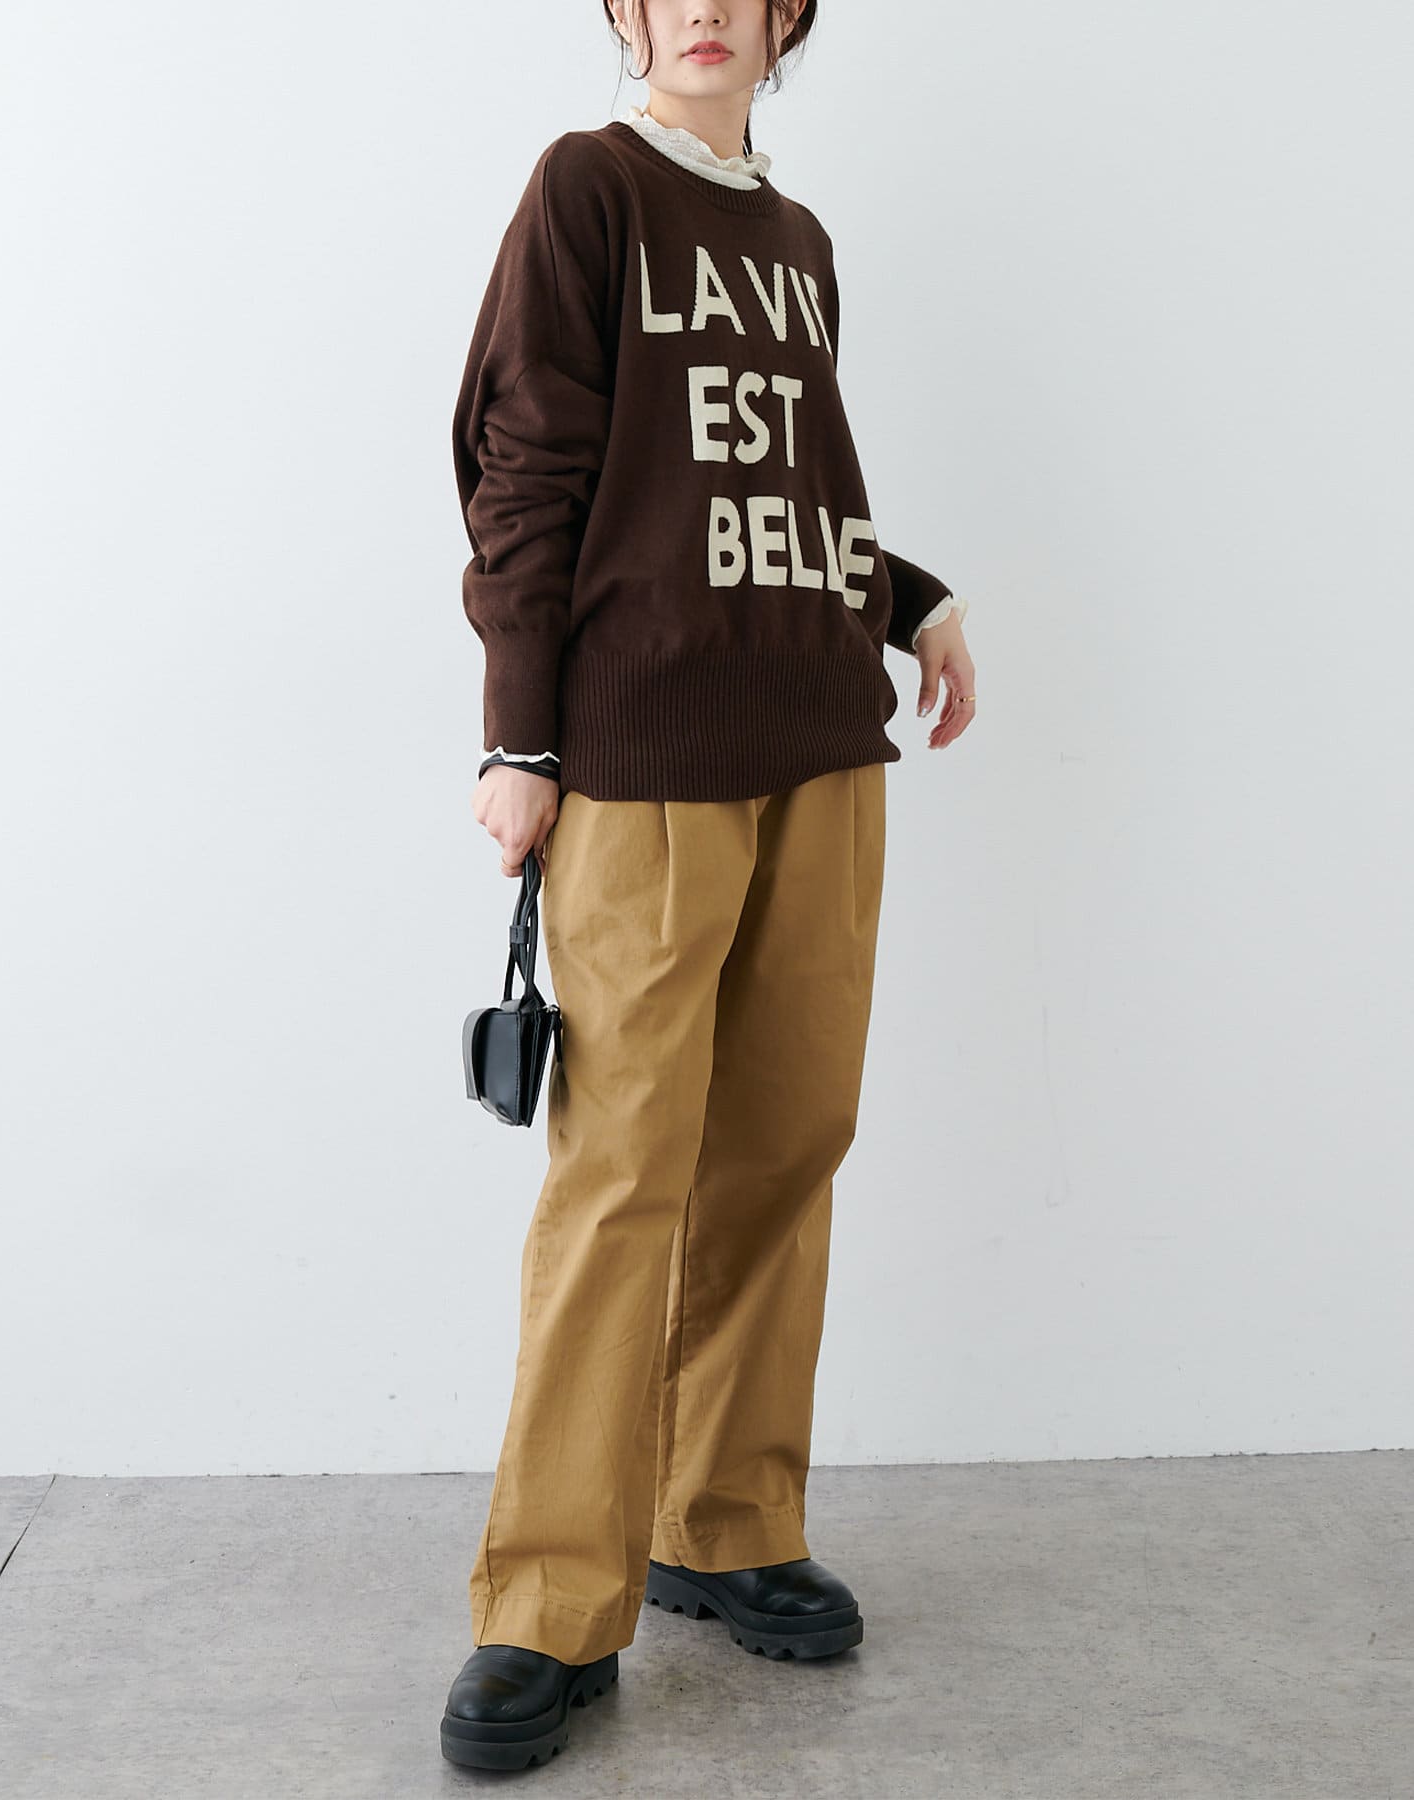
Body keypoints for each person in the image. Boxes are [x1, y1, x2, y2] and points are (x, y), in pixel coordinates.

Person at [441, 0, 977, 1773]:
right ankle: (547, 1599)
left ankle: (725, 1520)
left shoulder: (795, 240)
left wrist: (909, 601)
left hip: (820, 740)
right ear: (623, 12)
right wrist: (523, 735)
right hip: (644, 756)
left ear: (786, 14)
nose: (702, 7)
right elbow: (528, 464)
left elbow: (776, 480)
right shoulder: (588, 190)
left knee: (783, 1146)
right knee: (621, 1177)